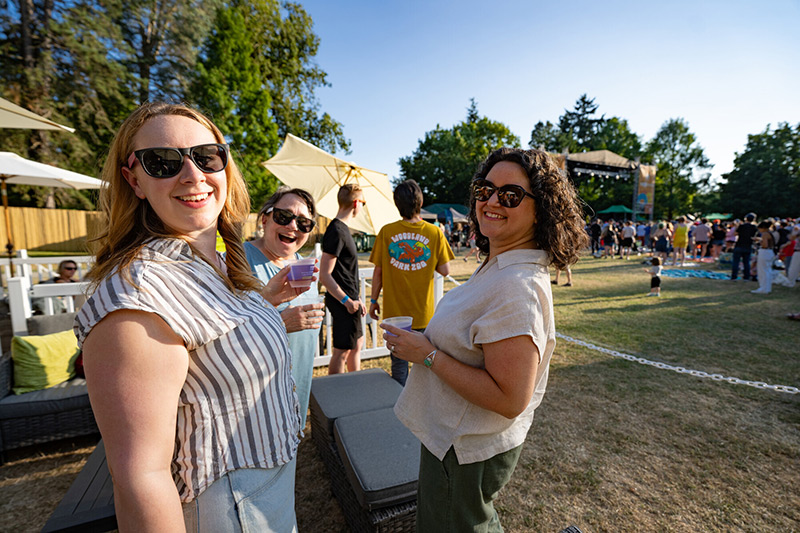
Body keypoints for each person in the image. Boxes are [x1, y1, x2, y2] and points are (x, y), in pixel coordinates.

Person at [75, 102, 308, 531]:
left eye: (206, 156)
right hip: (227, 509)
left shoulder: (221, 266)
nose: (192, 175)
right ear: (134, 180)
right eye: (162, 162)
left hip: (271, 491)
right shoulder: (139, 293)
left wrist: (267, 302)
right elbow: (141, 479)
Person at [382, 147, 587, 531]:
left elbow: (510, 398)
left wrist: (426, 355)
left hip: (465, 448)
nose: (492, 201)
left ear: (540, 207)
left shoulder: (517, 286)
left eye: (510, 195)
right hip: (458, 439)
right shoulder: (499, 264)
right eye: (484, 190)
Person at [244, 187, 326, 427]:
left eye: (304, 223)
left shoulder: (304, 265)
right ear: (265, 219)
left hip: (295, 393)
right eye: (284, 216)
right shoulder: (238, 260)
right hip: (253, 404)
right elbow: (220, 333)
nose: (293, 226)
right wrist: (279, 323)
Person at [368, 179, 454, 385]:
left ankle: (399, 408)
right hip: (423, 314)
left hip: (395, 315)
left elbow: (378, 272)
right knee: (424, 364)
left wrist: (373, 301)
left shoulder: (387, 232)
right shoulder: (434, 232)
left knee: (398, 365)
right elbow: (445, 270)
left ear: (397, 205)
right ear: (420, 202)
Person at [320, 184, 367, 374]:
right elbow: (324, 274)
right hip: (343, 302)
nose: (363, 207)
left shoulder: (344, 229)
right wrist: (347, 301)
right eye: (363, 202)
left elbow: (345, 272)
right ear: (356, 203)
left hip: (351, 300)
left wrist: (356, 298)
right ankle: (336, 391)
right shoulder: (336, 231)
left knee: (356, 344)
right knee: (342, 351)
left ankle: (355, 384)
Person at [751, 220, 776, 295]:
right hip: (770, 252)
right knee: (767, 271)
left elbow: (765, 245)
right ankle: (766, 288)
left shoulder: (765, 234)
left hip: (764, 252)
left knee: (763, 271)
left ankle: (763, 288)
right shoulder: (770, 233)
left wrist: (760, 241)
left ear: (763, 228)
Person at [731, 213, 758, 281]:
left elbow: (735, 233)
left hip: (739, 245)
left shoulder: (741, 226)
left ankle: (734, 276)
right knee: (746, 263)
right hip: (748, 245)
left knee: (736, 262)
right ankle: (746, 276)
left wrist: (737, 226)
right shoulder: (754, 227)